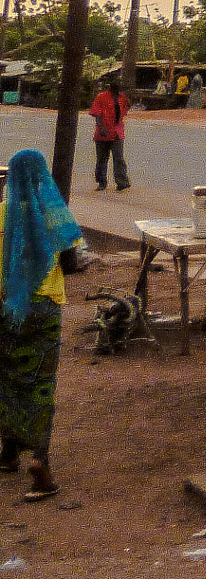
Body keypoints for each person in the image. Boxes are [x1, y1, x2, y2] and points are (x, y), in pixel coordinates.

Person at [0, 150, 82, 502]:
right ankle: (39, 461)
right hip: (46, 307)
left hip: (7, 308)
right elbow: (72, 261)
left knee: (8, 378)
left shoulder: (1, 213)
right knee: (41, 385)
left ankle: (7, 452)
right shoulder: (54, 215)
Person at [87, 75, 130, 192]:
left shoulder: (122, 97)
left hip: (117, 133)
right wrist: (101, 127)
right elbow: (97, 113)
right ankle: (101, 182)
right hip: (103, 133)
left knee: (119, 158)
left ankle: (122, 182)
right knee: (102, 159)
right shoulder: (101, 97)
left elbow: (125, 110)